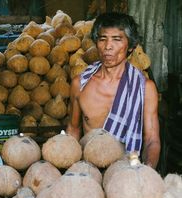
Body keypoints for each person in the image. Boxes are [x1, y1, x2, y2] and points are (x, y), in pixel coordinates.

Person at [66, 12, 160, 168]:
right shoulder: (80, 84)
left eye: (117, 39)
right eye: (102, 39)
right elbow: (73, 129)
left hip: (126, 171)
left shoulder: (145, 88)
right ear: (96, 43)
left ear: (130, 46)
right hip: (90, 171)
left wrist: (146, 171)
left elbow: (152, 140)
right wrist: (72, 169)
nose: (108, 47)